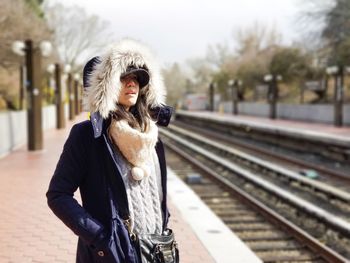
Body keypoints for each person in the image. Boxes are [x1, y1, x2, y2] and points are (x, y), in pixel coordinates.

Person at [46, 39, 173, 263]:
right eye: (123, 78)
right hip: (115, 253)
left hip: (157, 251)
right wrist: (100, 238)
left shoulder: (151, 136)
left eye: (136, 78)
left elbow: (157, 194)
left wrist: (164, 226)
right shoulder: (88, 135)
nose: (132, 83)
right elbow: (58, 195)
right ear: (106, 85)